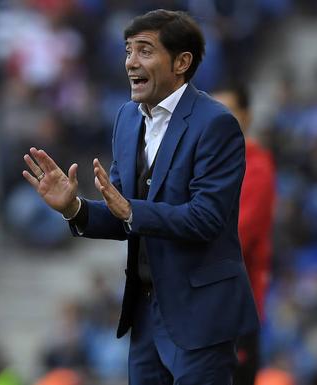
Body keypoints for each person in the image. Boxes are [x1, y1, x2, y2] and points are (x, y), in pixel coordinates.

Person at [22, 9, 259, 385]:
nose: (131, 62)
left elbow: (206, 218)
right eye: (128, 50)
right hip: (145, 314)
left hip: (200, 316)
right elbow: (123, 216)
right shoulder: (127, 118)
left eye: (145, 51)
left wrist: (132, 210)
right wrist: (75, 208)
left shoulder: (216, 123)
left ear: (181, 62)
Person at [212, 85, 276, 385]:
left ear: (247, 117)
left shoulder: (258, 167)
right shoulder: (204, 165)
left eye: (227, 111)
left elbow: (238, 235)